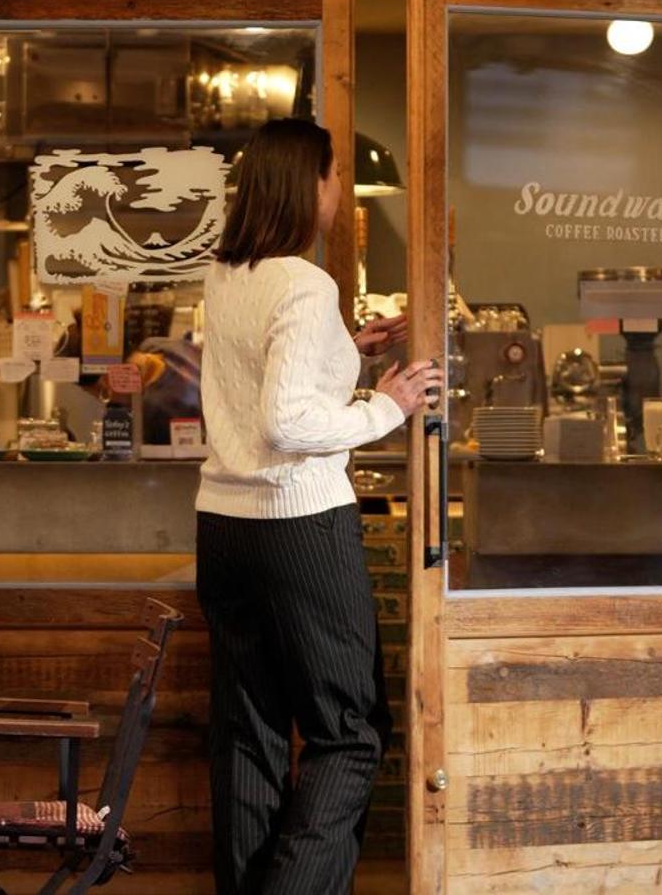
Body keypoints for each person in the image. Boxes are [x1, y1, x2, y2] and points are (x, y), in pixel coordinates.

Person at [195, 118, 436, 895]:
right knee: (349, 733)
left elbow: (258, 375)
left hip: (223, 525)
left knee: (251, 728)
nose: (339, 191)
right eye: (335, 175)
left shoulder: (228, 273)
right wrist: (388, 407)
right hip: (297, 526)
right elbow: (286, 424)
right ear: (311, 184)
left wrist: (345, 350)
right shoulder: (303, 284)